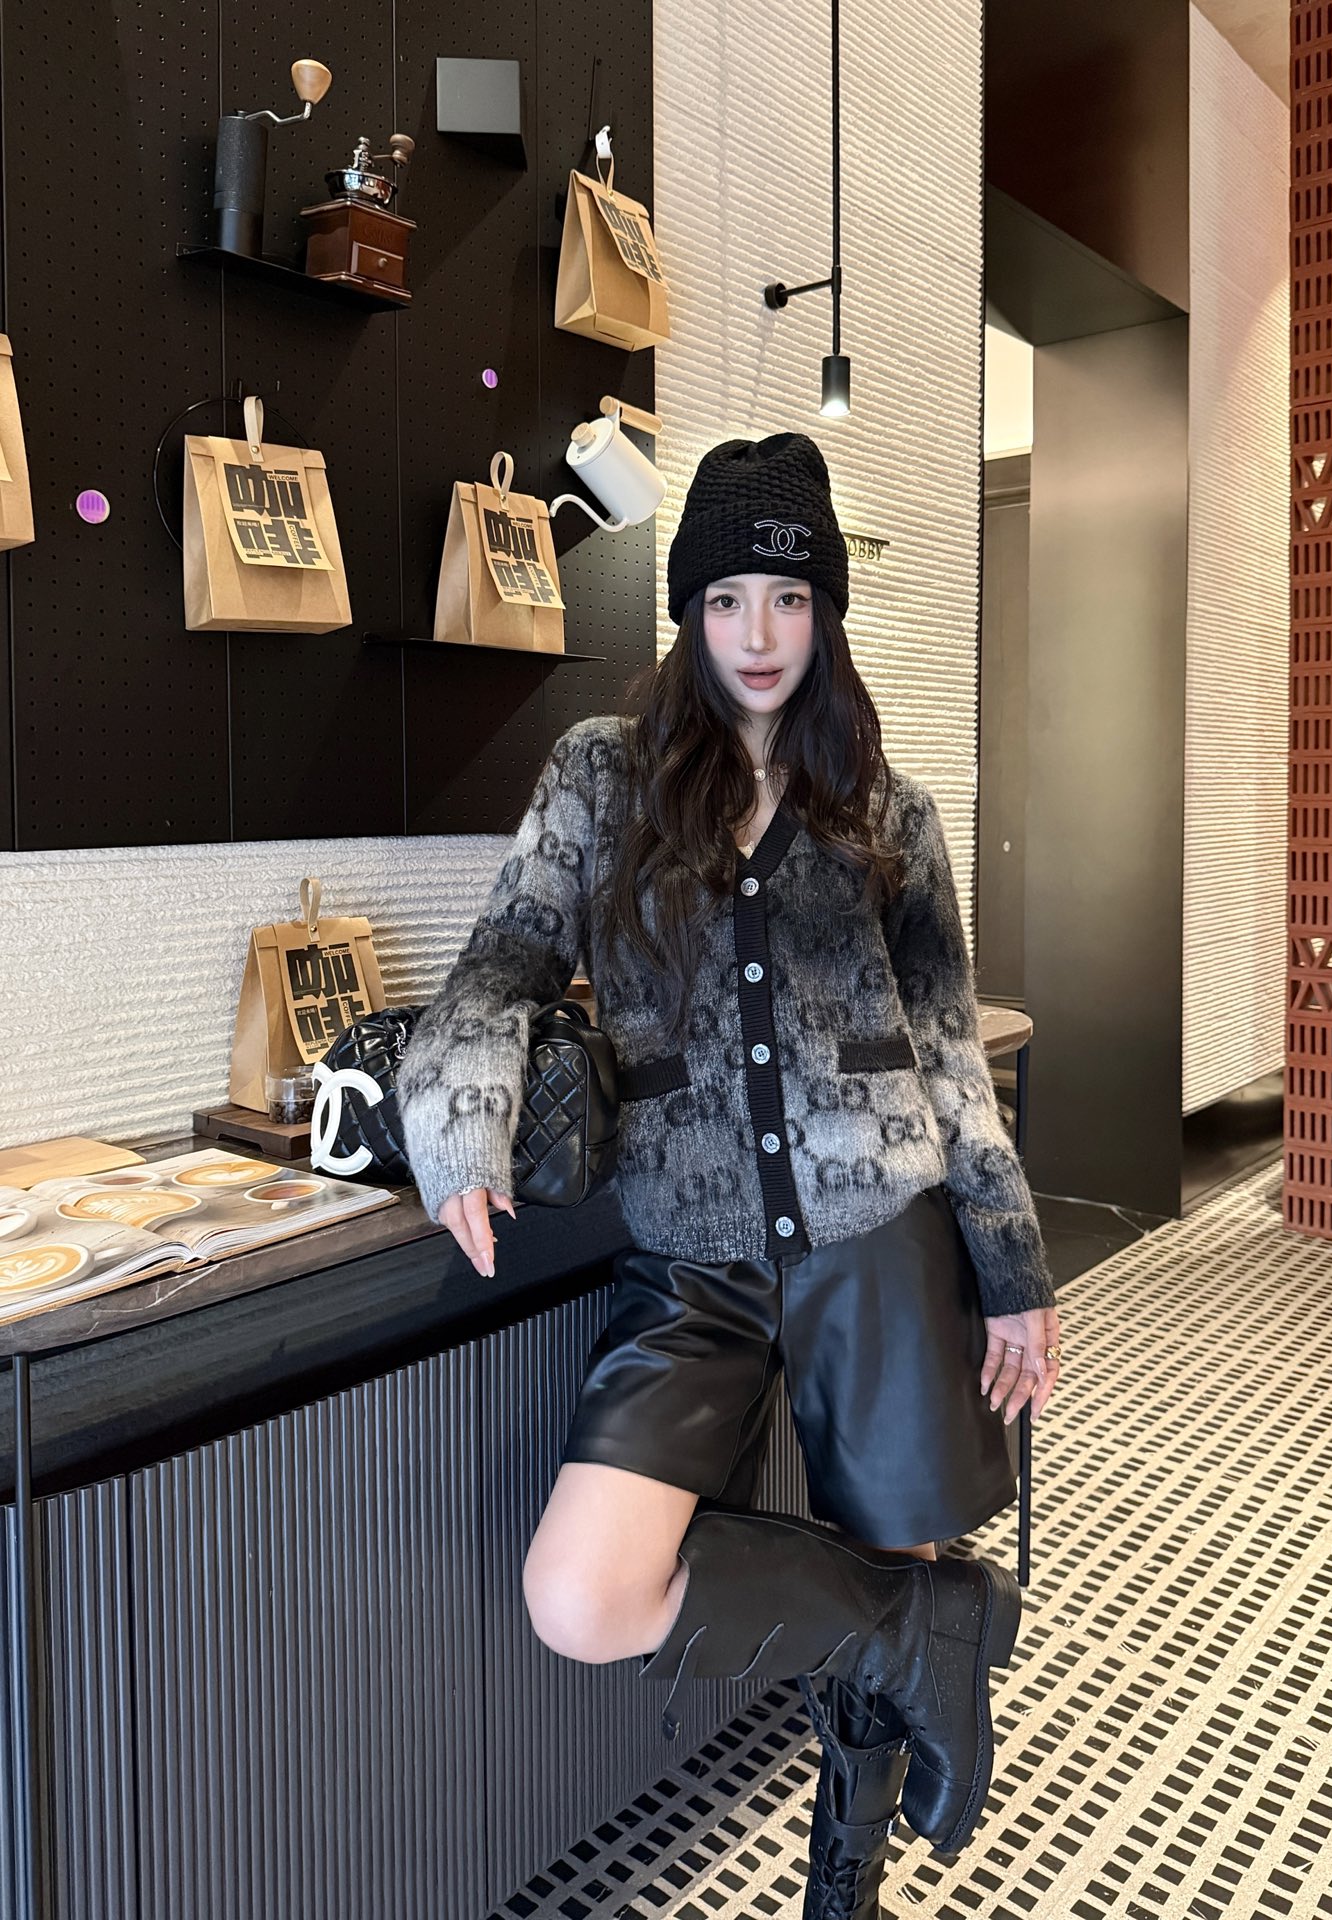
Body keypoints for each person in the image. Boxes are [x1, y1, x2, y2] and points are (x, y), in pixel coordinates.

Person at [396, 433, 1063, 1920]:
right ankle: (932, 1626)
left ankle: (848, 1878)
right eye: (724, 600)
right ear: (687, 611)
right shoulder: (604, 774)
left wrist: (1013, 1266)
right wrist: (459, 1124)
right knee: (583, 1593)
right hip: (689, 1257)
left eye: (788, 597)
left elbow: (950, 1055)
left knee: (890, 1546)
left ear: (825, 611)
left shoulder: (886, 810)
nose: (758, 634)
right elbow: (502, 964)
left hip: (879, 1234)